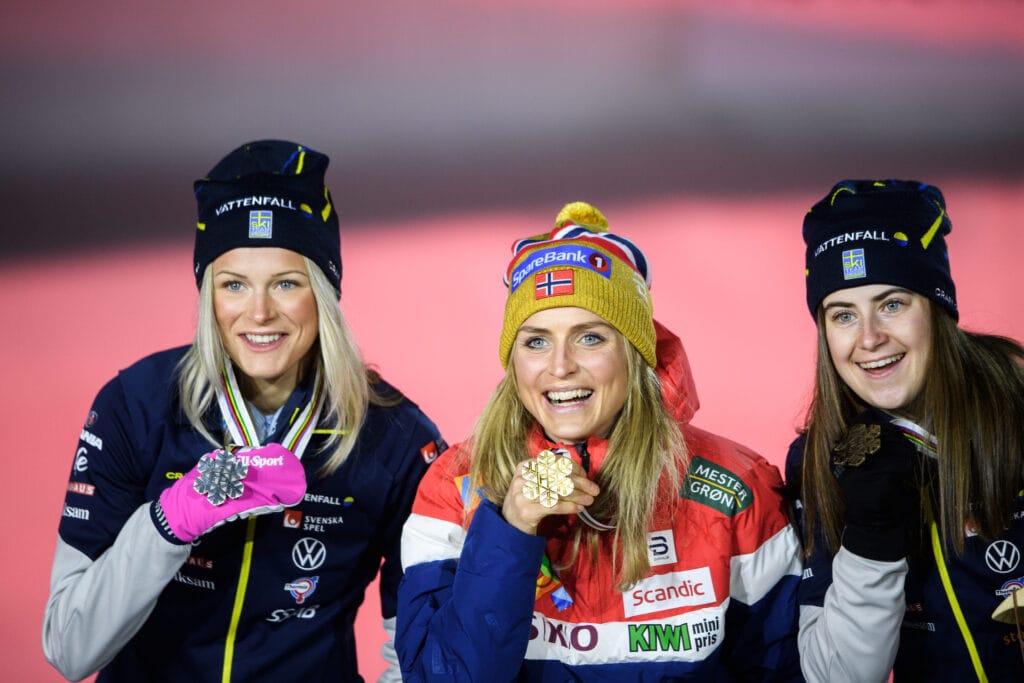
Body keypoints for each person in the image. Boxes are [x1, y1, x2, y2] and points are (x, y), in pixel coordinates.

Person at [42, 140, 445, 682]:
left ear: (324, 292)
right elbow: (68, 646)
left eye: (286, 283)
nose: (258, 313)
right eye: (234, 284)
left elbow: (419, 658)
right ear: (208, 295)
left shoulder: (396, 440)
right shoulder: (135, 407)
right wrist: (166, 523)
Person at [395, 201, 803, 680]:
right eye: (536, 341)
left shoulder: (735, 486)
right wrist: (510, 528)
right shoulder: (454, 486)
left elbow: (777, 672)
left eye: (589, 338)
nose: (560, 366)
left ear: (634, 351)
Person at [785, 179, 1024, 681]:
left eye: (892, 304)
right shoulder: (819, 459)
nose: (870, 338)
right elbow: (835, 677)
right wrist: (870, 542)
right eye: (843, 315)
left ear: (936, 308)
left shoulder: (1015, 402)